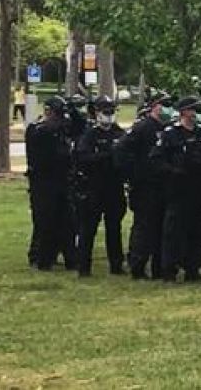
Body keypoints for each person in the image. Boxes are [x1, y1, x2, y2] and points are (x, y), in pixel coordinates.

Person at [150, 96, 201, 282]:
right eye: (193, 110)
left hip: (199, 189)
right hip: (178, 190)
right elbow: (156, 159)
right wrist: (173, 171)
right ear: (184, 112)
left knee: (197, 231)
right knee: (174, 233)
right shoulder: (170, 134)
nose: (196, 114)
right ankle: (169, 269)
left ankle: (192, 268)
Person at [114, 93, 174, 280]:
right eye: (163, 105)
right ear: (154, 106)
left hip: (162, 185)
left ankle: (158, 267)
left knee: (161, 227)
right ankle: (137, 266)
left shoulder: (166, 129)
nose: (167, 108)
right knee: (144, 227)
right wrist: (133, 174)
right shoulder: (142, 127)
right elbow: (121, 150)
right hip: (144, 186)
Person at [73, 96, 126, 277]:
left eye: (111, 112)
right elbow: (82, 159)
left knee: (114, 228)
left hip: (114, 186)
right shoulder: (89, 135)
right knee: (88, 229)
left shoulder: (119, 133)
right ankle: (83, 266)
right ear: (96, 113)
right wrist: (105, 156)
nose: (109, 116)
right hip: (93, 186)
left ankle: (117, 265)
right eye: (106, 112)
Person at [25, 96, 76, 271]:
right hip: (44, 182)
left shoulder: (62, 129)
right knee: (45, 222)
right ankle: (41, 258)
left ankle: (68, 257)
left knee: (67, 221)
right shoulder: (38, 130)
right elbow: (48, 155)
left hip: (62, 180)